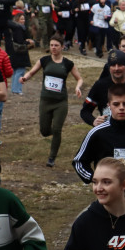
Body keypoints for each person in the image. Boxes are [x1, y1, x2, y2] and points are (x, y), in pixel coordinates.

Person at [19, 35, 84, 167]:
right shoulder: (44, 60)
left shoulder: (67, 63)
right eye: (51, 45)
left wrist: (78, 87)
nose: (53, 48)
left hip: (61, 102)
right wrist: (24, 78)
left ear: (62, 47)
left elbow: (79, 78)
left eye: (56, 45)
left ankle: (51, 158)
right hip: (45, 100)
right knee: (44, 130)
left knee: (57, 129)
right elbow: (31, 72)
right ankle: (55, 134)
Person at [81, 49, 125, 125]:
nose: (116, 68)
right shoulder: (99, 86)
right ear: (109, 68)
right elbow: (85, 111)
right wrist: (93, 121)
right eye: (113, 65)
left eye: (120, 65)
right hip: (108, 133)